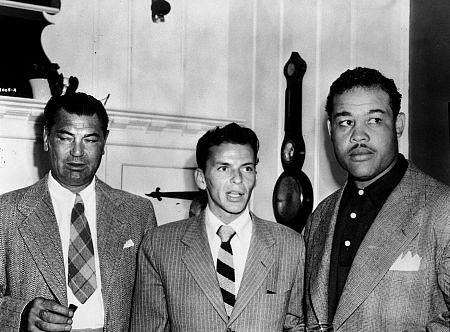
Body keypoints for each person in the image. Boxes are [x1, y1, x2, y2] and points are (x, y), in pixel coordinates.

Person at [304, 67, 450, 331]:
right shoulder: (319, 218)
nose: (358, 136)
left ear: (398, 124)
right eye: (346, 122)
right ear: (330, 129)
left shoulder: (442, 209)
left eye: (374, 120)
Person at [0, 93, 157, 331]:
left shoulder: (138, 213)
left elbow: (153, 303)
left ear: (105, 142)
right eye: (66, 138)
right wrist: (20, 315)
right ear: (46, 138)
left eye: (90, 140)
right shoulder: (6, 211)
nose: (77, 152)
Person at [131, 122, 305, 331]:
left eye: (247, 168)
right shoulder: (159, 245)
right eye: (224, 168)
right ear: (201, 178)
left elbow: (295, 326)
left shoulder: (290, 245)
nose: (238, 179)